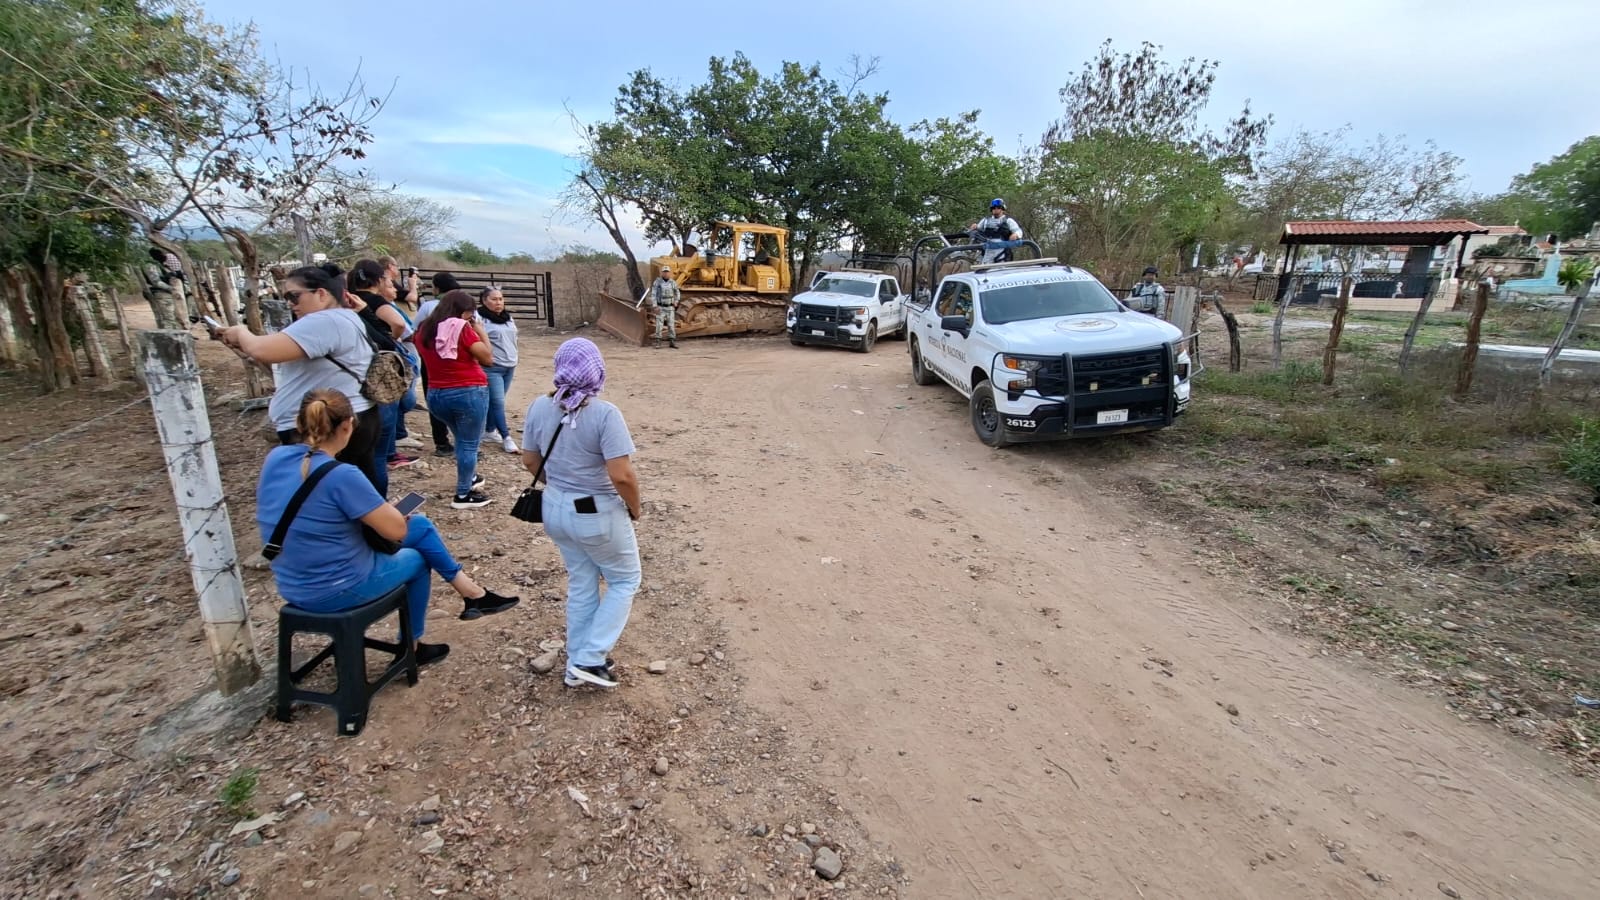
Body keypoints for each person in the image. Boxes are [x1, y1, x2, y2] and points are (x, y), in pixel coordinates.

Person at [256, 390, 521, 669]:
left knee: (420, 526)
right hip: (336, 588)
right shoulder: (342, 474)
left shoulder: (276, 458)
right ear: (347, 426)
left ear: (300, 422)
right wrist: (391, 513)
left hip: (291, 583)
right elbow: (395, 532)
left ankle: (473, 594)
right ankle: (412, 647)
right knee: (418, 559)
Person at [520, 338, 642, 689]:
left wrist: (559, 485)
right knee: (624, 580)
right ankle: (591, 657)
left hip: (555, 505)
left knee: (582, 580)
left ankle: (577, 660)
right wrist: (635, 508)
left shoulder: (539, 406)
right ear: (596, 370)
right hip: (595, 509)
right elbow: (621, 475)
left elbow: (529, 460)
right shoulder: (604, 414)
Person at [218, 263, 383, 491]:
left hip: (325, 425)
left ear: (322, 294)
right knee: (357, 490)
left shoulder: (323, 321)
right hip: (352, 416)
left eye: (294, 296)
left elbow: (262, 350)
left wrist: (240, 332)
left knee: (325, 494)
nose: (289, 303)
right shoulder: (345, 317)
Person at [413, 289, 493, 509]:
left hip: (436, 393)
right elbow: (487, 357)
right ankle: (463, 494)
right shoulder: (461, 328)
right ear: (462, 311)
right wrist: (480, 331)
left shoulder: (424, 329)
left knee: (460, 438)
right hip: (467, 391)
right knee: (469, 444)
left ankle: (470, 476)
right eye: (470, 313)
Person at [347, 259, 415, 489]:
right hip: (380, 376)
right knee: (377, 453)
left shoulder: (343, 302)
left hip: (353, 380)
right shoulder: (374, 301)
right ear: (378, 280)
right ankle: (377, 502)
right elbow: (399, 324)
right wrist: (389, 340)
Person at [416, 272, 460, 457]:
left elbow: (416, 331)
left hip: (432, 362)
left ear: (437, 287)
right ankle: (465, 442)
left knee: (434, 400)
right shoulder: (465, 305)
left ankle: (442, 443)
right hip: (459, 361)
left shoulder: (428, 306)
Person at [477, 286, 520, 454]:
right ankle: (506, 437)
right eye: (494, 299)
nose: (498, 302)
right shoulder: (479, 318)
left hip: (510, 365)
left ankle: (489, 430)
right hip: (492, 367)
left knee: (496, 401)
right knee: (498, 403)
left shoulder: (508, 318)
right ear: (484, 300)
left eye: (501, 299)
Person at [968, 199, 1023, 263]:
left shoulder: (1009, 221)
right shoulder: (985, 220)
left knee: (1001, 268)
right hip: (988, 252)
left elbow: (1019, 231)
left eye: (998, 207)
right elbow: (977, 228)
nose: (996, 209)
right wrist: (975, 226)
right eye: (993, 208)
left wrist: (1015, 235)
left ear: (1002, 209)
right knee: (984, 268)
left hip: (1003, 253)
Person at [650, 266, 680, 349]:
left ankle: (672, 341)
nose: (666, 273)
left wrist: (676, 301)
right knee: (659, 325)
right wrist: (655, 306)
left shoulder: (673, 282)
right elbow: (653, 294)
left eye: (667, 272)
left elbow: (677, 292)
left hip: (670, 307)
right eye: (664, 272)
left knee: (671, 325)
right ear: (662, 273)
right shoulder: (657, 282)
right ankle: (658, 342)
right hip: (660, 307)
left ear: (669, 273)